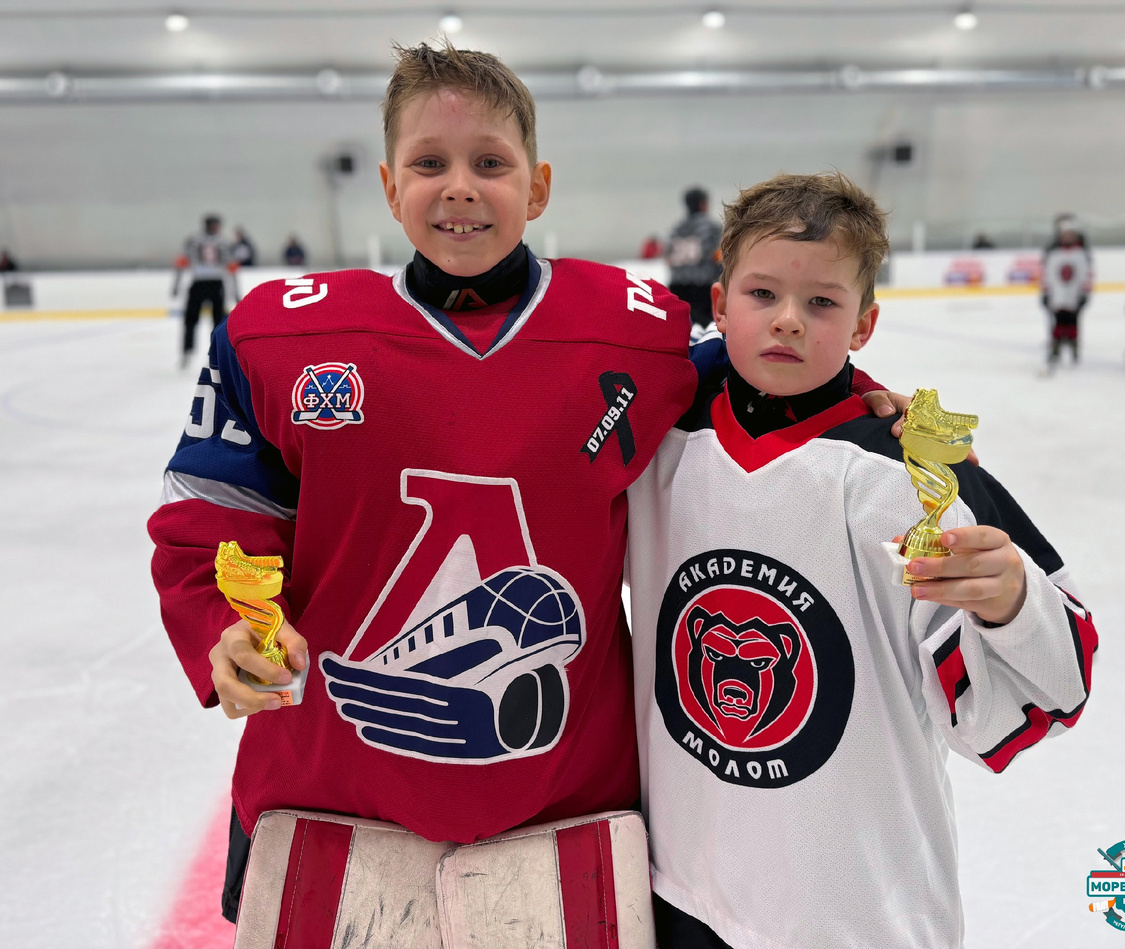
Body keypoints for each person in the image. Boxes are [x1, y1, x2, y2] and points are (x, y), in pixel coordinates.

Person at [147, 45, 903, 927]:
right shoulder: (279, 339)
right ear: (391, 186)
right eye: (430, 163)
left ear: (537, 187)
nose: (460, 187)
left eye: (490, 163)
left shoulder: (636, 338)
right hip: (326, 787)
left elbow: (759, 371)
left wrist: (848, 396)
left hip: (565, 800)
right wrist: (226, 627)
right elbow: (214, 519)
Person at [626, 172, 1098, 949]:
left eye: (821, 303)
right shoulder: (661, 439)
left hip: (851, 913)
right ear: (717, 303)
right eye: (761, 294)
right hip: (682, 887)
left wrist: (1012, 603)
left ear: (864, 324)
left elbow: (1042, 699)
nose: (787, 322)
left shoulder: (917, 475)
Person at [173, 214, 235, 369]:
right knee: (193, 319)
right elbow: (182, 262)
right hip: (202, 283)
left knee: (217, 322)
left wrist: (176, 284)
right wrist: (176, 284)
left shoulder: (211, 241)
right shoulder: (201, 240)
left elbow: (231, 266)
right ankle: (187, 351)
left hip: (212, 283)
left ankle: (216, 354)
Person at [665, 186, 723, 331]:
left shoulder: (676, 228)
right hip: (702, 287)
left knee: (682, 328)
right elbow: (719, 256)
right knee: (708, 329)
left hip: (677, 286)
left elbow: (668, 257)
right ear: (703, 204)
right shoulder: (711, 227)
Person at [1040, 215, 1092, 368]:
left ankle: (1074, 350)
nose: (1067, 237)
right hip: (1057, 296)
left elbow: (1086, 276)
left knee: (1073, 323)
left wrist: (1084, 294)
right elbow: (1047, 275)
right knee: (1057, 324)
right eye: (1065, 235)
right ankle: (1055, 349)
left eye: (1070, 235)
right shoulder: (1053, 254)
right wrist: (1045, 294)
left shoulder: (1081, 254)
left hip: (1074, 296)